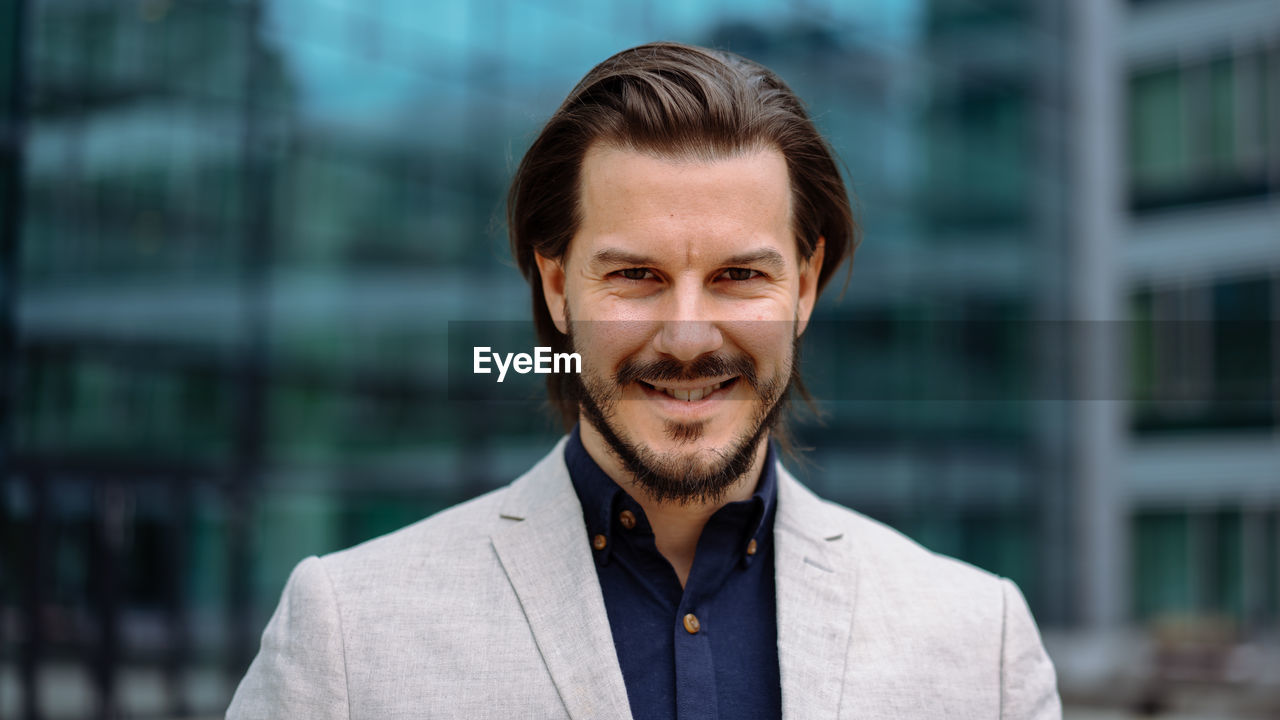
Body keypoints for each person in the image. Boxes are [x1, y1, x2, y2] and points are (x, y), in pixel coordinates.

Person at [227, 41, 1061, 719]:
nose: (689, 336)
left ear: (804, 287)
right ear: (557, 286)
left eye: (741, 276)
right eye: (635, 276)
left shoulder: (977, 645)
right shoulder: (345, 633)